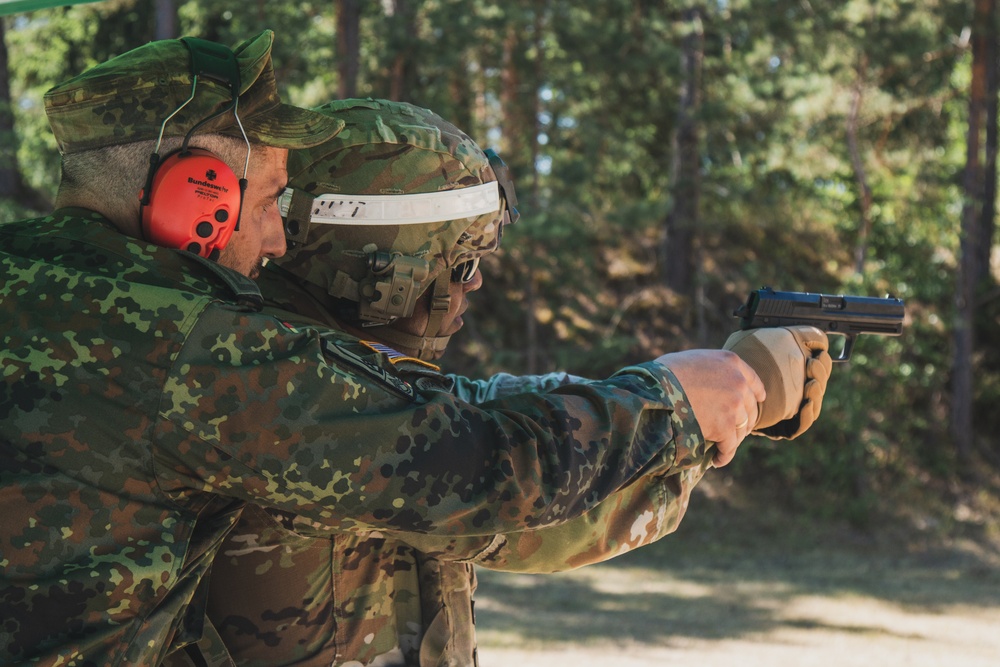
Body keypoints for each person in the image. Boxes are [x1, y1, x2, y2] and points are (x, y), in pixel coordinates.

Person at [0, 32, 826, 667]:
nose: (280, 235)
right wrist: (682, 399)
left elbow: (445, 404)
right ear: (197, 195)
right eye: (268, 198)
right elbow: (486, 468)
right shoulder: (206, 353)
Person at [188, 99, 834, 667]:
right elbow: (527, 491)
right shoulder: (292, 391)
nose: (472, 283)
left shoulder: (312, 370)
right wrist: (679, 406)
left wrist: (722, 387)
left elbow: (497, 412)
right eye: (462, 260)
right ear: (378, 267)